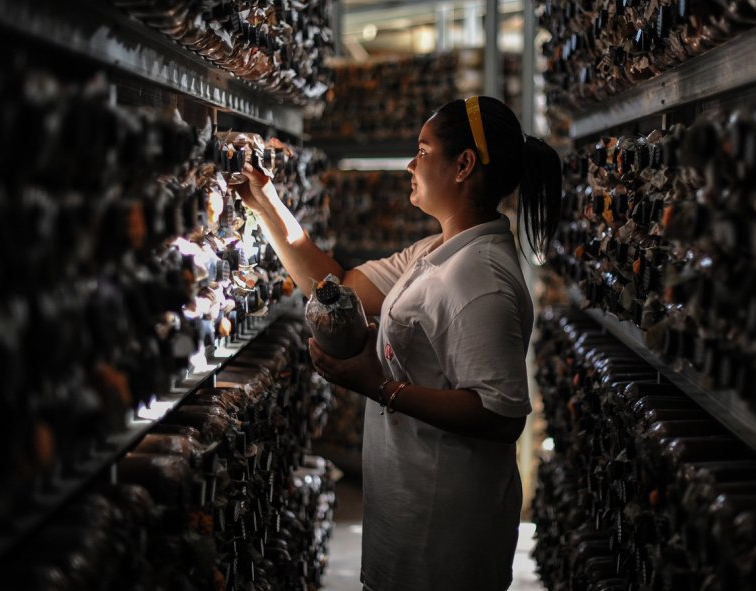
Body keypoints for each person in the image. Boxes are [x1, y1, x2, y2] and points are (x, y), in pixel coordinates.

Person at [236, 95, 562, 591]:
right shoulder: (436, 253)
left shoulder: (480, 279)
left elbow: (500, 414)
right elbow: (337, 285)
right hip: (410, 507)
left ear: (463, 165)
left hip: (446, 528)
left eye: (423, 150)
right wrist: (265, 201)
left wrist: (379, 385)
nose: (411, 164)